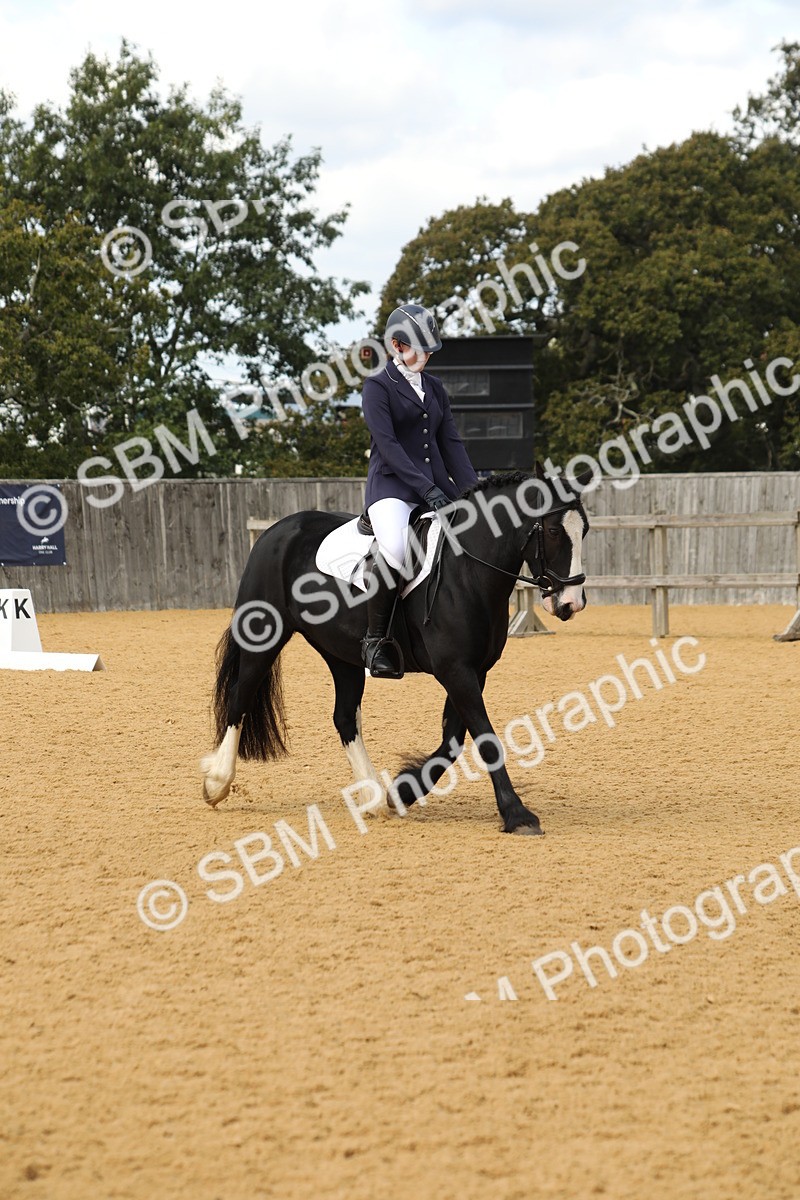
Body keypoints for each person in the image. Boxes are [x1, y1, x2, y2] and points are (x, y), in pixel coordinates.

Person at [360, 303, 479, 677]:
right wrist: (427, 490)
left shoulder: (435, 388)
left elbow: (451, 443)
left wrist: (475, 493)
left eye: (429, 350)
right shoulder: (378, 387)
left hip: (438, 488)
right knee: (395, 548)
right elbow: (390, 448)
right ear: (396, 345)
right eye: (418, 349)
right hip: (392, 490)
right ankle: (375, 641)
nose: (425, 357)